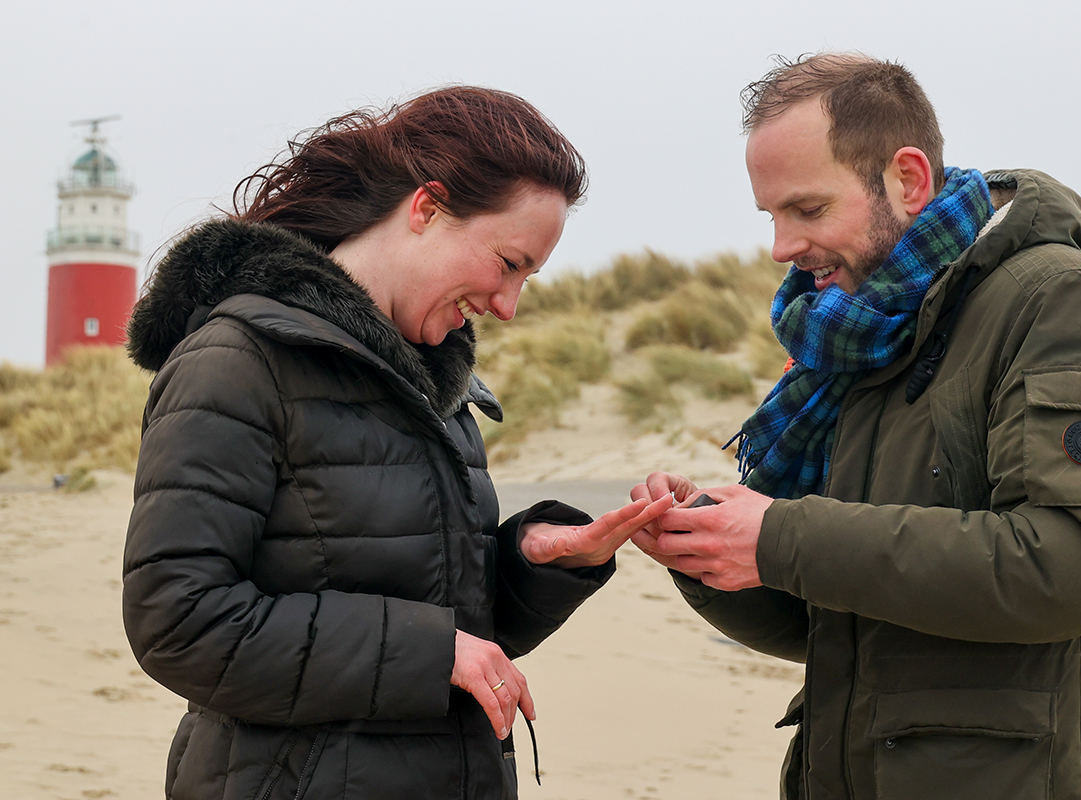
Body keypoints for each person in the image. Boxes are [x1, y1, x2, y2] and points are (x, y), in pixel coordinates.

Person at [632, 53, 1081, 800]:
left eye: (808, 210)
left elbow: (1073, 567)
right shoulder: (866, 335)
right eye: (772, 216)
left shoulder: (1059, 301)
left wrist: (784, 538)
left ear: (908, 180)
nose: (782, 248)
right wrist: (709, 551)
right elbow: (841, 619)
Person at [122, 86, 671, 800]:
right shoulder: (236, 361)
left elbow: (448, 618)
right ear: (427, 208)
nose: (508, 307)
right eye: (509, 263)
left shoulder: (436, 382)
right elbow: (179, 623)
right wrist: (429, 651)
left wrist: (538, 561)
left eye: (529, 279)